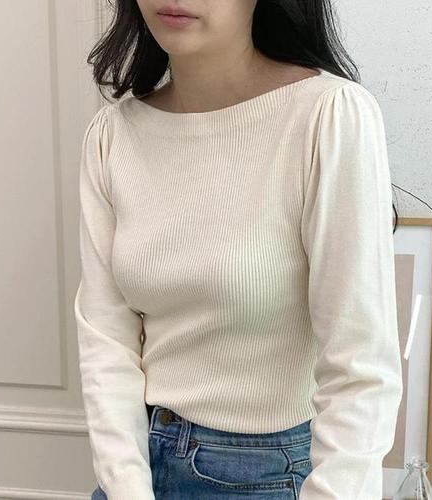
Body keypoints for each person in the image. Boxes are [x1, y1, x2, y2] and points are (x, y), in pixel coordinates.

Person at [74, 1, 404, 499]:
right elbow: (106, 337)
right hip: (135, 467)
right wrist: (125, 485)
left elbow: (361, 367)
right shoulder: (112, 134)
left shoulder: (328, 115)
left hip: (267, 476)